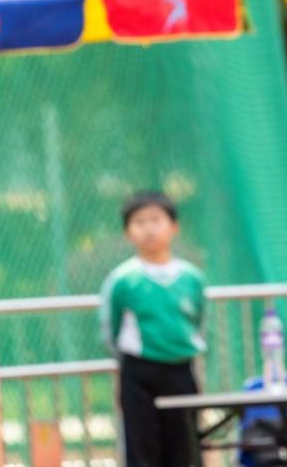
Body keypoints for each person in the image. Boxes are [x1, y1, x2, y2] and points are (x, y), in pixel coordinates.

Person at [100, 191, 206, 467]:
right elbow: (111, 328)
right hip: (139, 374)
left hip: (181, 371)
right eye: (139, 222)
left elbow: (199, 320)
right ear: (128, 232)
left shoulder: (192, 278)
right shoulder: (123, 280)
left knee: (184, 448)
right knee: (142, 449)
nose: (149, 229)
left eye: (156, 220)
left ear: (174, 227)